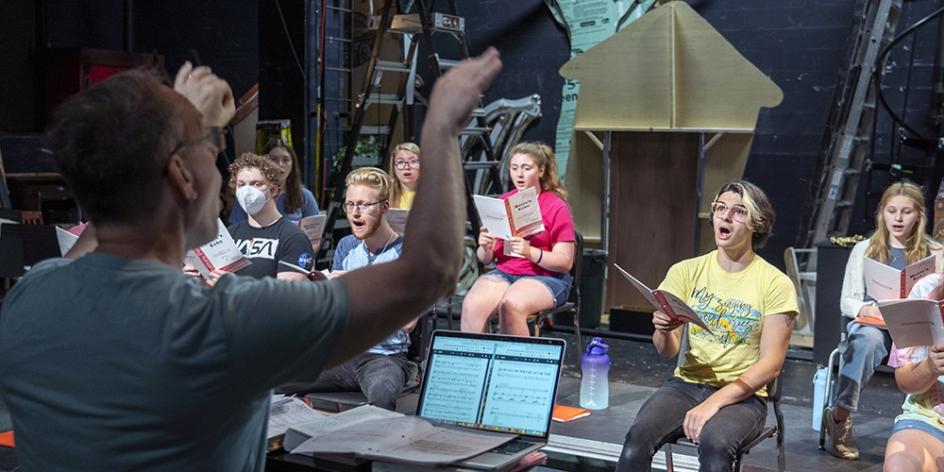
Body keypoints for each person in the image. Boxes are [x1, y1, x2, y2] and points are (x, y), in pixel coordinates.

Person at [0, 50, 502, 470]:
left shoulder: (29, 299)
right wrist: (440, 130)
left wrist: (188, 125)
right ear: (181, 173)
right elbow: (429, 270)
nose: (226, 170)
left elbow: (105, 224)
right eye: (212, 148)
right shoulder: (221, 322)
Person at [616, 181, 798, 472]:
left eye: (738, 212)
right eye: (720, 208)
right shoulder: (685, 271)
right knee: (636, 441)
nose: (725, 217)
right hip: (686, 385)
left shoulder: (775, 283)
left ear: (757, 223)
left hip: (743, 396)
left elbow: (770, 366)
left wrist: (713, 403)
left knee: (715, 445)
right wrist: (663, 329)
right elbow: (667, 351)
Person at [281, 167, 416, 410]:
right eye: (350, 204)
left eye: (364, 205)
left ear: (384, 207)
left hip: (382, 357)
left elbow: (407, 323)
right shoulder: (347, 246)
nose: (355, 213)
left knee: (382, 394)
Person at [826, 181, 942, 460]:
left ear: (919, 215)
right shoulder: (865, 249)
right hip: (876, 322)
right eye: (892, 211)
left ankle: (924, 416)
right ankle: (840, 418)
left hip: (914, 324)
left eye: (906, 212)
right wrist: (874, 310)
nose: (898, 219)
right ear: (882, 213)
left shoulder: (934, 251)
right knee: (866, 341)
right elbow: (847, 301)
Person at [460, 142, 575, 336]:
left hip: (547, 277)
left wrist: (529, 252)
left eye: (526, 168)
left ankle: (515, 364)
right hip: (506, 272)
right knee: (472, 305)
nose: (519, 174)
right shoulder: (503, 202)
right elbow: (486, 259)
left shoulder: (556, 206)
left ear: (541, 170)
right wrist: (485, 246)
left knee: (511, 304)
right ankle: (477, 364)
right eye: (514, 168)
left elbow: (565, 262)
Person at [883, 272, 944, 471]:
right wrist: (930, 367)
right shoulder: (926, 292)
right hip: (931, 419)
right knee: (899, 465)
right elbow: (905, 381)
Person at [226, 152, 312, 280]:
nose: (247, 191)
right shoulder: (230, 235)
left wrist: (231, 286)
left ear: (273, 190)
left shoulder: (293, 238)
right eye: (241, 185)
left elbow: (288, 294)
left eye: (256, 184)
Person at [228, 137, 319, 225]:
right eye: (274, 159)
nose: (280, 164)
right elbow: (235, 230)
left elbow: (315, 231)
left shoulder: (305, 196)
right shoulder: (247, 194)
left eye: (285, 160)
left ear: (293, 166)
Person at [388, 142, 421, 210]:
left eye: (413, 161)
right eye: (400, 162)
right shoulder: (385, 193)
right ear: (393, 168)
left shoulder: (434, 193)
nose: (406, 167)